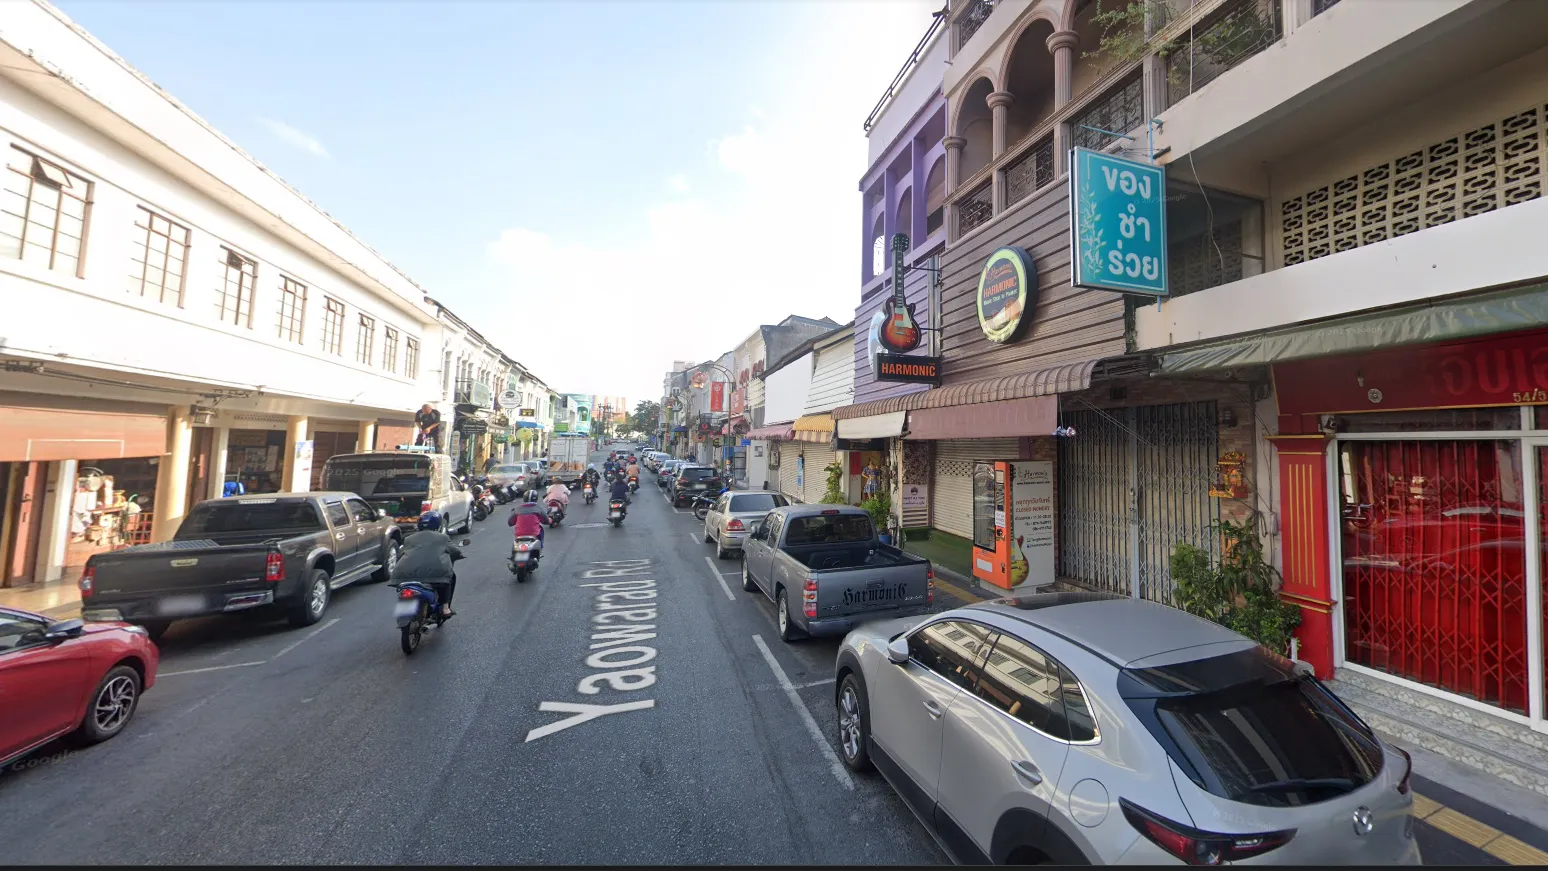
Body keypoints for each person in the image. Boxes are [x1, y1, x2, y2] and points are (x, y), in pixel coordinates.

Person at [392, 511, 463, 618]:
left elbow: (400, 555)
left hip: (405, 575)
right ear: (437, 524)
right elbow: (455, 552)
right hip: (434, 575)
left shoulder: (408, 539)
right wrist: (459, 555)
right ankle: (445, 608)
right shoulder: (442, 538)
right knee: (448, 579)